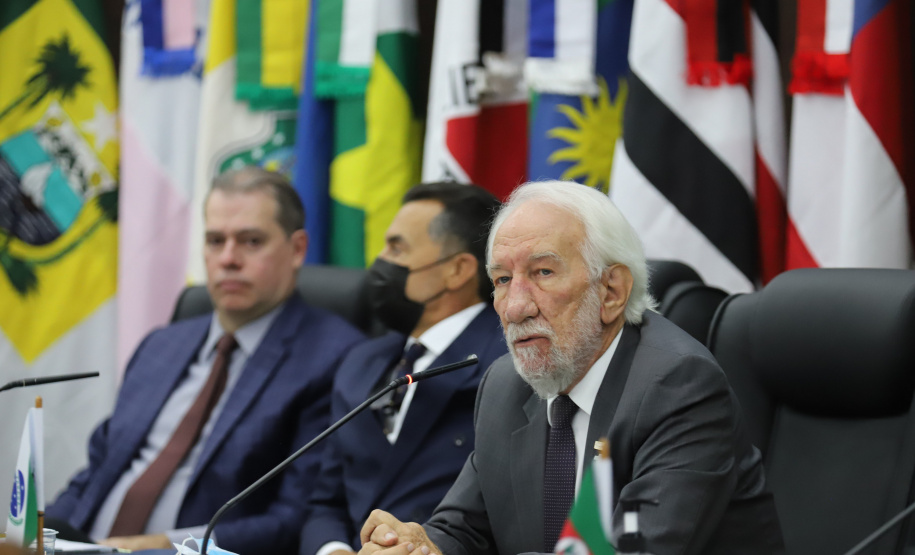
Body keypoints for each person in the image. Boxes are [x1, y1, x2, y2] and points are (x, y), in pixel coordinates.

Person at [357, 181, 785, 555]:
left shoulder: (677, 386)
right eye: (503, 280)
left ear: (612, 290)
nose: (516, 307)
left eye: (542, 272)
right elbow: (462, 529)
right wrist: (418, 547)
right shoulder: (505, 385)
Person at [45, 168, 365, 555]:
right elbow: (97, 474)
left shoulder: (335, 358)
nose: (228, 259)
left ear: (297, 249)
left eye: (250, 241)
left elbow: (293, 519)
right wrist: (38, 538)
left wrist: (166, 546)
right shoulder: (161, 344)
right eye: (215, 241)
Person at [299, 183, 508, 555]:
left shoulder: (506, 365)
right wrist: (334, 551)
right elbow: (325, 503)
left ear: (457, 270)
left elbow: (508, 511)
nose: (379, 262)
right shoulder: (361, 363)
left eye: (397, 248)